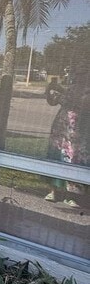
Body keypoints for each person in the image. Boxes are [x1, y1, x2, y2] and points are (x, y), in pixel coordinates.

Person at [45, 63, 90, 208]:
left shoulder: (87, 90)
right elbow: (53, 101)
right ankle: (55, 191)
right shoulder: (71, 87)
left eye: (80, 74)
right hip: (62, 128)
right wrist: (50, 92)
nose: (76, 77)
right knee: (57, 155)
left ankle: (73, 196)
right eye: (75, 74)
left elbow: (83, 104)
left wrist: (61, 95)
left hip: (79, 130)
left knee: (75, 158)